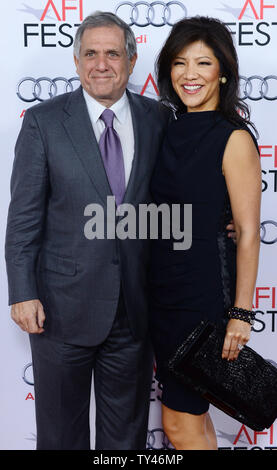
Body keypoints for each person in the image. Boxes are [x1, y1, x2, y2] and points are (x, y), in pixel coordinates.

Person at [5, 12, 235, 450]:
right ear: (76, 62)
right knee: (59, 436)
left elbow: (181, 192)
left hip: (135, 311)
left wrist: (221, 222)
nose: (101, 64)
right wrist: (21, 291)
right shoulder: (44, 122)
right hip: (59, 311)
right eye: (90, 53)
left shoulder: (159, 119)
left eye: (113, 53)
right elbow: (23, 219)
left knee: (124, 440)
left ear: (130, 61)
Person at [148, 16, 261, 450]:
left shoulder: (232, 138)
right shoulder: (168, 129)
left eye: (202, 63)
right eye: (179, 63)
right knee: (193, 419)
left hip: (201, 299)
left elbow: (248, 233)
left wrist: (241, 314)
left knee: (180, 425)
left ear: (223, 72)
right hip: (163, 293)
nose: (189, 75)